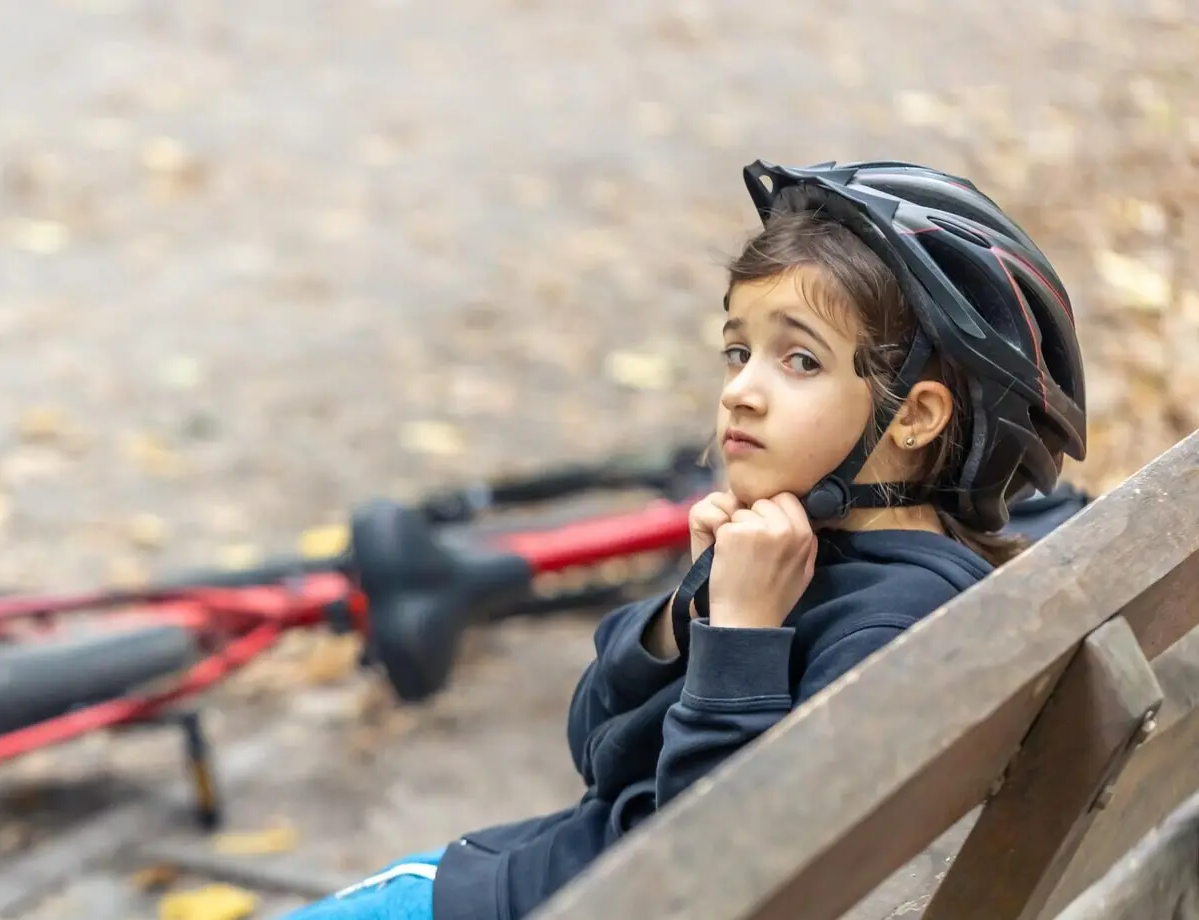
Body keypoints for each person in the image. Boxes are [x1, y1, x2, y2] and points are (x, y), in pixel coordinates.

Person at [278, 158, 1088, 920]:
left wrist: (741, 632)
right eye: (738, 351)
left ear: (914, 416)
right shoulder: (836, 563)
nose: (741, 390)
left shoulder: (890, 631)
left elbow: (719, 882)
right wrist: (687, 609)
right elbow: (596, 748)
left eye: (798, 360)